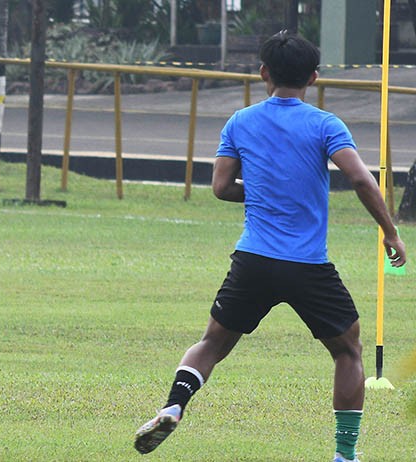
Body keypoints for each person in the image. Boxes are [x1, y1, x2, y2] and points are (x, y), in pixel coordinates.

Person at [133, 32, 407, 462]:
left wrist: (263, 191)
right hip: (307, 267)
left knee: (211, 344)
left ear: (263, 73)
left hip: (253, 261)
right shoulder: (325, 124)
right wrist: (390, 231)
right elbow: (359, 178)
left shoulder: (240, 121)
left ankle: (173, 405)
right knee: (348, 350)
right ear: (313, 78)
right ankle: (345, 455)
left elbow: (221, 188)